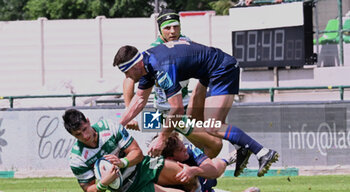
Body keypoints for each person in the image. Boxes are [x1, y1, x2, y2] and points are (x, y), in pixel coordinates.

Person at [113, 41, 279, 177]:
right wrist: (116, 127)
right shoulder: (147, 63)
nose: (128, 78)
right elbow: (140, 99)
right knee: (202, 125)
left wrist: (162, 138)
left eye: (127, 73)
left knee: (213, 125)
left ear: (136, 66)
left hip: (221, 69)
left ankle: (262, 151)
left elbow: (177, 109)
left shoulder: (161, 67)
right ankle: (241, 148)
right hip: (208, 73)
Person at [62, 108, 223, 192]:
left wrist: (123, 162)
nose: (85, 136)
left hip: (142, 167)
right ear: (72, 135)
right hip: (129, 188)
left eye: (85, 129)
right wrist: (104, 182)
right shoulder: (77, 159)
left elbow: (137, 153)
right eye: (78, 134)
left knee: (184, 173)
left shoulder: (109, 128)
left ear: (88, 121)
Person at [122, 8, 222, 158]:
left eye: (176, 26)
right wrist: (129, 111)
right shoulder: (154, 51)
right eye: (167, 28)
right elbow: (129, 79)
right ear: (160, 30)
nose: (172, 31)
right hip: (164, 112)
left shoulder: (186, 43)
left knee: (201, 148)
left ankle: (197, 175)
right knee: (209, 146)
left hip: (181, 108)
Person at [159, 132, 259, 192]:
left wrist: (194, 171)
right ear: (170, 158)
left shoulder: (189, 149)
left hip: (204, 183)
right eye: (180, 150)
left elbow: (212, 170)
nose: (184, 149)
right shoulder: (160, 167)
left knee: (214, 166)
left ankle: (229, 159)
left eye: (182, 145)